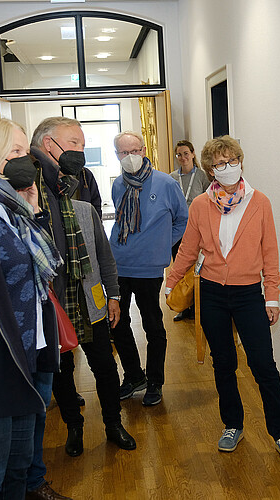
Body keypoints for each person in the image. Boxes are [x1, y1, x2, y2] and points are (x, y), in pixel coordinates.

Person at [165, 135, 280, 462]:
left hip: (248, 294)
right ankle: (232, 424)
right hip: (211, 293)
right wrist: (171, 281)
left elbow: (270, 253)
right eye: (220, 163)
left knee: (263, 364)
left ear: (240, 162)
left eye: (232, 161)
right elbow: (188, 249)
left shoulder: (259, 202)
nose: (227, 167)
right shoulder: (200, 205)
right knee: (223, 362)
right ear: (211, 170)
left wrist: (272, 296)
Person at [31, 117, 136, 458]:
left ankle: (113, 424)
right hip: (55, 305)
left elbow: (105, 258)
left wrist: (114, 295)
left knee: (105, 367)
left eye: (82, 144)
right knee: (62, 373)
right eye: (74, 143)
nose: (80, 150)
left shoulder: (85, 210)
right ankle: (74, 427)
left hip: (90, 303)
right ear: (49, 145)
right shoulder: (33, 210)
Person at [0, 116, 62, 499]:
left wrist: (32, 209)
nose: (24, 161)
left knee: (18, 467)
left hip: (26, 354)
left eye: (24, 152)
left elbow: (45, 264)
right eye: (15, 151)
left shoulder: (8, 205)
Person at [110, 131, 188, 405]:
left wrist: (162, 244)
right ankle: (134, 376)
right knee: (117, 323)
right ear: (117, 155)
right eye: (124, 152)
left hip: (149, 269)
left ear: (143, 150)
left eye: (134, 151)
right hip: (119, 264)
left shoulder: (166, 183)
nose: (130, 157)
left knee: (152, 325)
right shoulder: (118, 184)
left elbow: (182, 220)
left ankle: (155, 381)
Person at [169, 140, 210, 321]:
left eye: (186, 153)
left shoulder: (202, 176)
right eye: (179, 154)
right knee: (180, 268)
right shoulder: (172, 178)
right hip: (178, 231)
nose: (183, 157)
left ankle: (198, 306)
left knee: (196, 270)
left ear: (193, 154)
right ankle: (183, 306)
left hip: (197, 231)